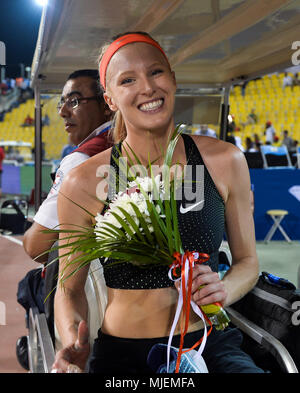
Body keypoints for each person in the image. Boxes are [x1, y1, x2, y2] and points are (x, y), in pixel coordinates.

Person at [52, 32, 262, 374]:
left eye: (156, 72)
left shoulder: (225, 161)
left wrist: (223, 288)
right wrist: (71, 341)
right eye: (128, 80)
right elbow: (69, 289)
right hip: (121, 356)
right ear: (110, 99)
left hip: (208, 347)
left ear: (174, 80)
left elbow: (248, 262)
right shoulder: (83, 181)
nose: (147, 87)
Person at [23, 69, 113, 264]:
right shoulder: (139, 146)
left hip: (91, 287)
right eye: (61, 103)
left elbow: (36, 247)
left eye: (74, 101)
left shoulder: (81, 160)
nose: (63, 112)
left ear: (106, 104)